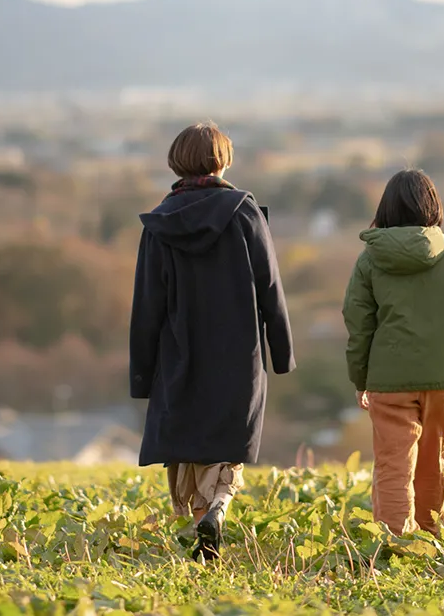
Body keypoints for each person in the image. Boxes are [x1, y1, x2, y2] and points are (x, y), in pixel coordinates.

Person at [130, 121, 295, 560]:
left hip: (179, 353)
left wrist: (143, 375)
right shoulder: (245, 214)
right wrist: (281, 354)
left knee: (186, 445)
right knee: (224, 445)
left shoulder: (159, 223)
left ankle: (196, 525)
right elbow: (270, 287)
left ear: (176, 161)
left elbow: (147, 304)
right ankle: (217, 508)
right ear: (223, 160)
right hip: (238, 352)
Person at [343, 169, 444, 536]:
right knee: (433, 460)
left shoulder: (369, 261)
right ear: (433, 206)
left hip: (388, 381)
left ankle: (393, 544)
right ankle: (428, 538)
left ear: (386, 209)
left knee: (392, 464)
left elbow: (359, 325)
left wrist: (359, 378)